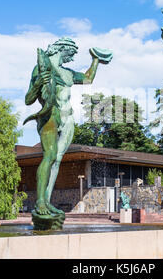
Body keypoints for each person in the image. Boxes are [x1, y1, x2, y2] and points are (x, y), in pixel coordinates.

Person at [24, 38, 112, 218]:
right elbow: (28, 99)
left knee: (57, 159)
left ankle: (46, 202)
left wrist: (95, 60)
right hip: (50, 115)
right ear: (61, 49)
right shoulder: (41, 68)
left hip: (68, 117)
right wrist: (40, 82)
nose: (70, 59)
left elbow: (87, 79)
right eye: (70, 54)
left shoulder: (68, 73)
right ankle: (40, 201)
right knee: (48, 155)